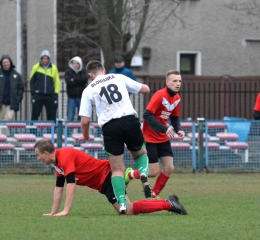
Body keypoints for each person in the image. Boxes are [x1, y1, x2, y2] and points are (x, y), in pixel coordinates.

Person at [34, 138, 187, 216]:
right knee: (128, 210)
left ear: (46, 153)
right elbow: (58, 188)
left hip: (106, 175)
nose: (38, 159)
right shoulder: (58, 164)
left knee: (128, 210)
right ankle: (128, 175)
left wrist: (66, 210)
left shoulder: (65, 155)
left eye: (38, 155)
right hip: (103, 182)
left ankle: (169, 203)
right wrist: (54, 212)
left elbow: (71, 185)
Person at [79, 60, 151, 214]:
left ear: (90, 75)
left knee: (117, 169)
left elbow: (85, 120)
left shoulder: (88, 90)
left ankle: (122, 203)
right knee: (140, 153)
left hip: (110, 126)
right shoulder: (118, 77)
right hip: (129, 120)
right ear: (104, 70)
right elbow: (145, 89)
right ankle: (143, 172)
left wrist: (85, 135)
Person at [125, 70, 185, 199]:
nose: (178, 83)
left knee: (169, 168)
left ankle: (152, 196)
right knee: (153, 172)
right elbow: (147, 115)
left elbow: (174, 118)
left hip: (163, 138)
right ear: (167, 82)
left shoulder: (177, 98)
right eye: (174, 81)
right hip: (150, 138)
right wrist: (164, 128)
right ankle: (129, 174)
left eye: (179, 81)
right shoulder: (159, 95)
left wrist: (179, 129)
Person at [30, 50, 60, 121]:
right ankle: (33, 131)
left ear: (49, 59)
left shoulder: (54, 68)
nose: (45, 60)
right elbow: (32, 81)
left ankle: (51, 131)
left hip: (50, 95)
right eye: (43, 58)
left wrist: (55, 93)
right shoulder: (35, 67)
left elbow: (57, 81)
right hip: (38, 95)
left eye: (47, 58)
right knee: (35, 114)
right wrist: (33, 93)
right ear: (41, 58)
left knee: (51, 115)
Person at [64, 56, 89, 121]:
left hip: (81, 98)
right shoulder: (68, 72)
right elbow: (69, 83)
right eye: (74, 63)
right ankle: (69, 131)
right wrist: (79, 80)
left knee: (81, 117)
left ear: (80, 64)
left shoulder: (83, 71)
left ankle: (81, 131)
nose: (75, 65)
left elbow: (85, 80)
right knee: (70, 117)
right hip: (71, 97)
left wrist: (74, 79)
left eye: (77, 63)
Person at [0, 55, 24, 120]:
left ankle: (2, 130)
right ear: (2, 64)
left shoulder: (16, 74)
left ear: (10, 62)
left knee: (8, 118)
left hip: (12, 102)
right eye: (4, 62)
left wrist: (18, 99)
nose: (6, 64)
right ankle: (3, 130)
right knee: (1, 120)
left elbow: (21, 88)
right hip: (1, 102)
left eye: (7, 62)